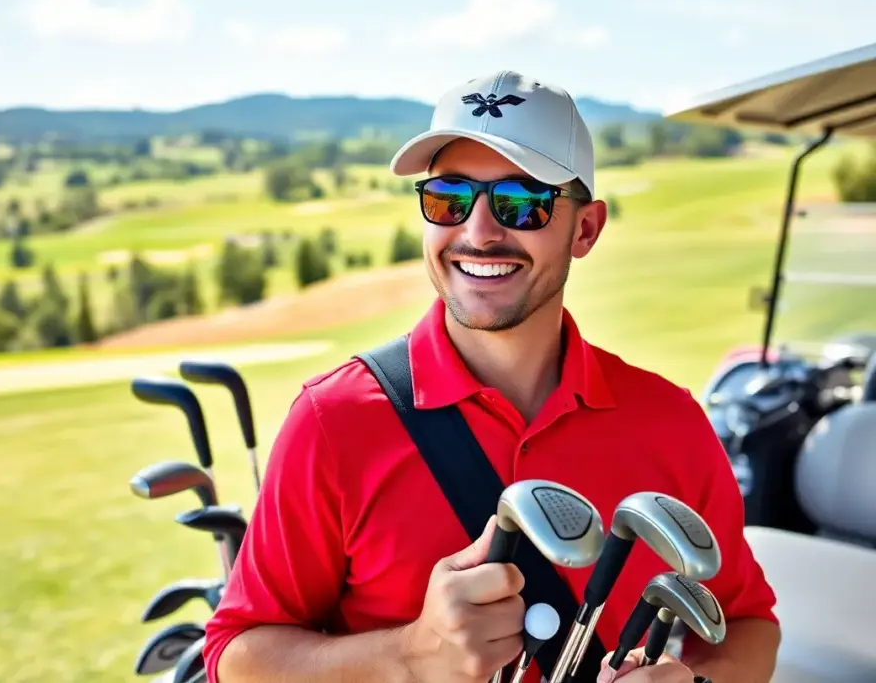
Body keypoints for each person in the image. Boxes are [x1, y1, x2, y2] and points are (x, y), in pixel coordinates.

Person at [202, 70, 781, 683]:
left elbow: (748, 625)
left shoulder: (670, 422)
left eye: (522, 202)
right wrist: (408, 654)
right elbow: (236, 658)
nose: (477, 233)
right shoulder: (333, 420)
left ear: (585, 229)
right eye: (449, 198)